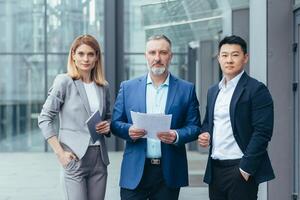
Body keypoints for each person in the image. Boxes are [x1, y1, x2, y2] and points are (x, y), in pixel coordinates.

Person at [111, 34, 201, 200]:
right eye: (152, 52)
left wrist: (176, 135)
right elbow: (115, 123)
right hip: (135, 170)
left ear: (171, 56)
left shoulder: (186, 89)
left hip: (169, 171)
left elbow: (195, 127)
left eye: (163, 52)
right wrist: (128, 130)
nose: (157, 58)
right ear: (146, 56)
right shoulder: (128, 88)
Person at [198, 35, 275, 200]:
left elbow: (263, 132)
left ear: (245, 58)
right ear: (218, 58)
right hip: (215, 168)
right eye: (224, 55)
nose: (229, 60)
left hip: (240, 168)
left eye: (235, 55)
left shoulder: (256, 89)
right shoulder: (213, 91)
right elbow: (208, 123)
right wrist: (206, 134)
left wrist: (245, 169)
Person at [38, 34, 111, 200]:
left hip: (99, 158)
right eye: (81, 54)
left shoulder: (103, 86)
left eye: (91, 54)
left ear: (97, 57)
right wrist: (60, 153)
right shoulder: (64, 81)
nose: (86, 59)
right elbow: (44, 118)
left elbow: (108, 117)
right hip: (74, 157)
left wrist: (108, 125)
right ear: (73, 55)